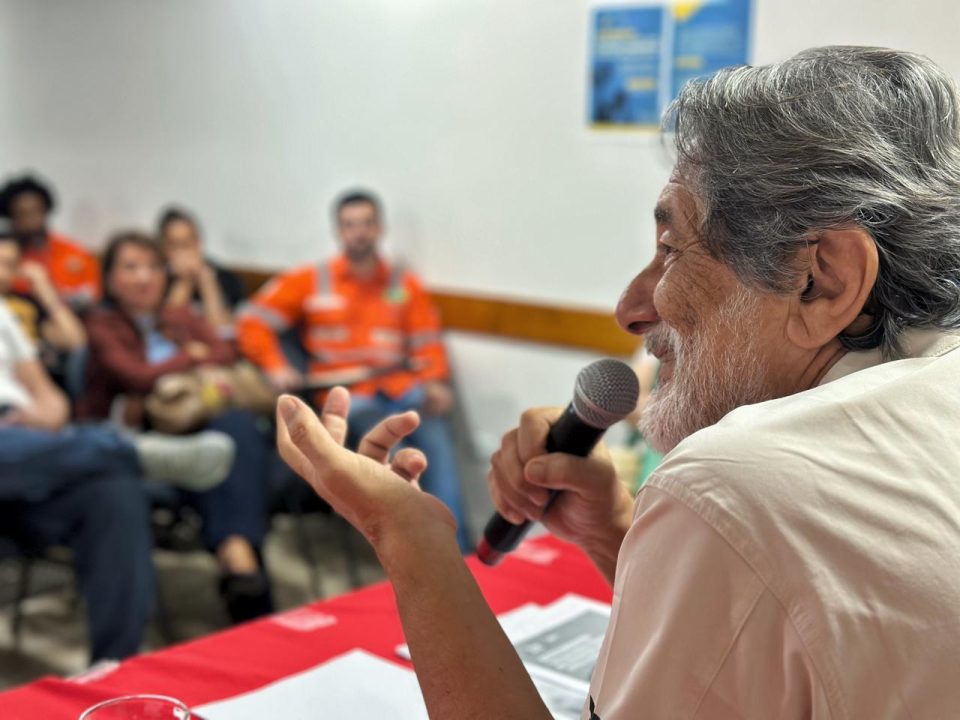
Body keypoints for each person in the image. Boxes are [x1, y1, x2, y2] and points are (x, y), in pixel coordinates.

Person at [273, 46, 960, 719]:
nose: (632, 308)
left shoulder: (740, 480)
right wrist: (612, 529)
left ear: (824, 279)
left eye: (671, 250)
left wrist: (407, 534)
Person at [0, 292, 235, 662]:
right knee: (106, 460)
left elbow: (53, 401)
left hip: (29, 452)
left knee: (112, 490)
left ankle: (114, 667)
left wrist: (38, 419)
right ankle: (126, 450)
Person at [237, 190, 470, 550]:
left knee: (436, 438)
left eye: (366, 223)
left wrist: (435, 381)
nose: (359, 232)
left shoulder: (401, 283)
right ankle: (422, 550)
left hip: (401, 387)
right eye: (350, 225)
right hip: (351, 396)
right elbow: (251, 319)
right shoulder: (312, 279)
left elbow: (426, 340)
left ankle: (458, 547)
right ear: (338, 231)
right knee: (400, 453)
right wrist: (274, 364)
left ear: (380, 228)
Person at [79, 231, 274, 623]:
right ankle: (242, 566)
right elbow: (136, 377)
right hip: (135, 438)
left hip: (198, 427)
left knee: (235, 429)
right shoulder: (102, 324)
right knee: (231, 445)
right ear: (111, 278)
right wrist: (191, 356)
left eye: (153, 266)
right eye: (131, 267)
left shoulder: (179, 315)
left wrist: (181, 362)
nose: (144, 277)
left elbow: (226, 350)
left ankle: (238, 560)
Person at [0, 174, 100, 311]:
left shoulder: (73, 252)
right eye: (21, 213)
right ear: (12, 218)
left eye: (35, 210)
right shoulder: (6, 257)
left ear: (46, 210)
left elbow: (92, 295)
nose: (30, 220)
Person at [157, 206, 246, 337]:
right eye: (175, 245)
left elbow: (223, 328)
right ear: (164, 248)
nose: (183, 252)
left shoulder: (226, 278)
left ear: (199, 242)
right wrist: (185, 281)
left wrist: (206, 281)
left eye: (188, 243)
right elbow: (167, 329)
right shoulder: (157, 280)